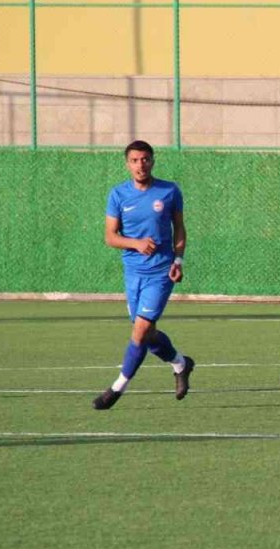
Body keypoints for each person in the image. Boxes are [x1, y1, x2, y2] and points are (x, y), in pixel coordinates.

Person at [92, 140, 195, 410]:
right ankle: (180, 364)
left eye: (146, 159)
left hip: (161, 272)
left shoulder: (169, 191)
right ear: (128, 164)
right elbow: (110, 237)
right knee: (147, 334)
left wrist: (179, 259)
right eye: (135, 160)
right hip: (133, 273)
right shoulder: (118, 195)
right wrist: (136, 243)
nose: (141, 165)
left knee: (140, 331)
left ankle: (117, 388)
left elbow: (180, 230)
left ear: (153, 161)